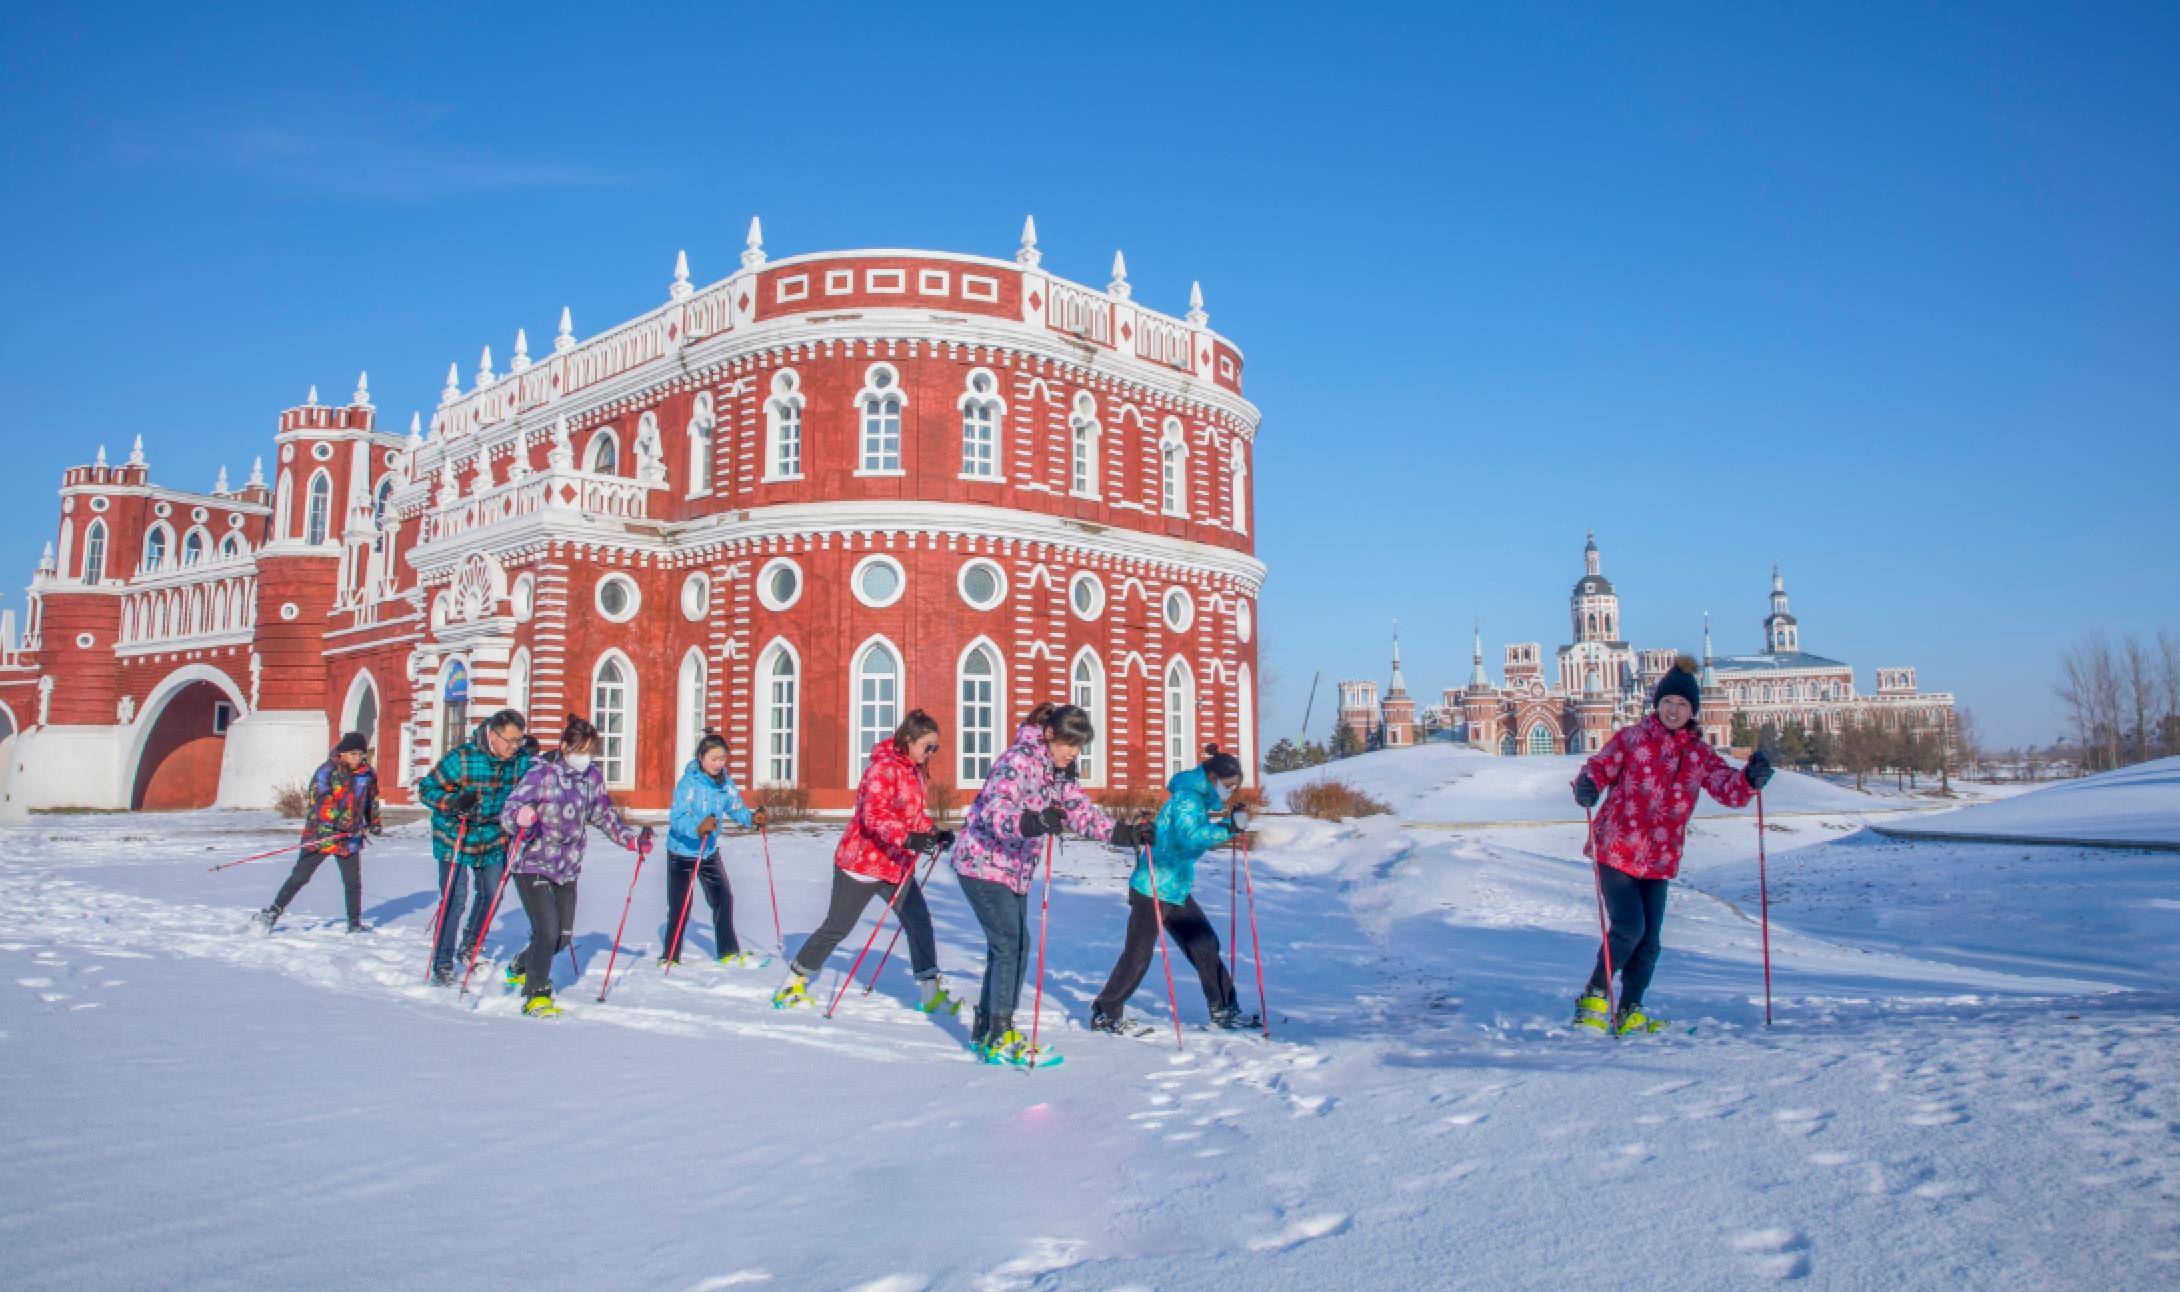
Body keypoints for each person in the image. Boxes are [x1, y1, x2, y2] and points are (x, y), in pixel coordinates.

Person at [1570, 655, 1772, 1035]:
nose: (1673, 710)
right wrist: (1588, 785)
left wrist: (1751, 777)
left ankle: (1630, 1009)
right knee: (1628, 928)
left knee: (1650, 941)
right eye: (1667, 702)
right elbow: (1600, 766)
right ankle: (1594, 997)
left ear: (1692, 710)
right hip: (1618, 847)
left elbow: (1729, 790)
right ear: (1656, 705)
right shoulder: (1631, 739)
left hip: (1660, 857)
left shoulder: (1698, 755)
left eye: (1681, 704)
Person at [950, 702, 1150, 1065]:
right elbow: (996, 811)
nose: (1071, 753)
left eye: (1078, 747)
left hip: (1013, 868)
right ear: (1049, 735)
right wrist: (1033, 822)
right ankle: (999, 1034)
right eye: (1067, 745)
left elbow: (1082, 813)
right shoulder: (1018, 760)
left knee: (1015, 946)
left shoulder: (1061, 773)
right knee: (1009, 944)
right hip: (980, 862)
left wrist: (1125, 833)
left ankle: (987, 1029)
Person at [773, 711, 958, 1014]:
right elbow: (874, 817)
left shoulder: (914, 771)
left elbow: (911, 815)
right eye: (927, 746)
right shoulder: (883, 768)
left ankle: (930, 991)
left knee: (919, 922)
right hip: (862, 862)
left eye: (934, 748)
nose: (931, 753)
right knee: (838, 927)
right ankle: (794, 981)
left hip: (894, 865)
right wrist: (910, 839)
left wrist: (933, 833)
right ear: (908, 740)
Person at [1090, 744, 1257, 1033]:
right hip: (1153, 886)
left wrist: (1229, 823)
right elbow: (1191, 838)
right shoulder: (1188, 800)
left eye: (1234, 787)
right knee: (1138, 954)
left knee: (1204, 944)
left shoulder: (1198, 799)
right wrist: (1228, 827)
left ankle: (1224, 1009)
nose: (1229, 792)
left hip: (1174, 887)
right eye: (1228, 786)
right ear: (1212, 777)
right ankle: (1106, 1013)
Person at [499, 715, 651, 1017]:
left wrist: (631, 841)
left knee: (563, 936)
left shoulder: (591, 777)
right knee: (546, 930)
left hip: (567, 866)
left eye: (589, 751)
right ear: (565, 746)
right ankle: (536, 993)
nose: (584, 757)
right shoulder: (541, 773)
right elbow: (510, 811)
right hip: (532, 863)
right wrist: (521, 818)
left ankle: (522, 965)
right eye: (579, 749)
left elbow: (603, 815)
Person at [417, 709, 534, 984]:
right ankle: (442, 962)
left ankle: (470, 944)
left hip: (493, 836)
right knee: (455, 899)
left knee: (492, 893)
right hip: (455, 835)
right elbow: (426, 788)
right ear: (492, 735)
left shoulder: (520, 761)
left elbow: (538, 779)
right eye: (509, 741)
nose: (514, 747)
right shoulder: (462, 759)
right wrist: (454, 802)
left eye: (519, 741)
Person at [258, 732, 382, 932]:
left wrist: (374, 821)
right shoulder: (327, 771)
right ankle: (272, 912)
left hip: (349, 838)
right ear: (342, 753)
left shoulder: (367, 774)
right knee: (300, 877)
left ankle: (354, 923)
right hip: (321, 835)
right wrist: (338, 822)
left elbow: (371, 800)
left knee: (353, 882)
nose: (357, 758)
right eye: (353, 754)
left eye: (361, 754)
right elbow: (320, 800)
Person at [662, 732, 767, 966]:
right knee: (680, 906)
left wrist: (752, 819)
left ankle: (727, 951)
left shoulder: (724, 784)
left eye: (723, 759)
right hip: (682, 852)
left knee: (723, 898)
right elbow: (677, 818)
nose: (719, 764)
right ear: (701, 757)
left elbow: (735, 807)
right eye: (714, 758)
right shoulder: (688, 784)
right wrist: (698, 827)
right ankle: (670, 956)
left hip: (707, 851)